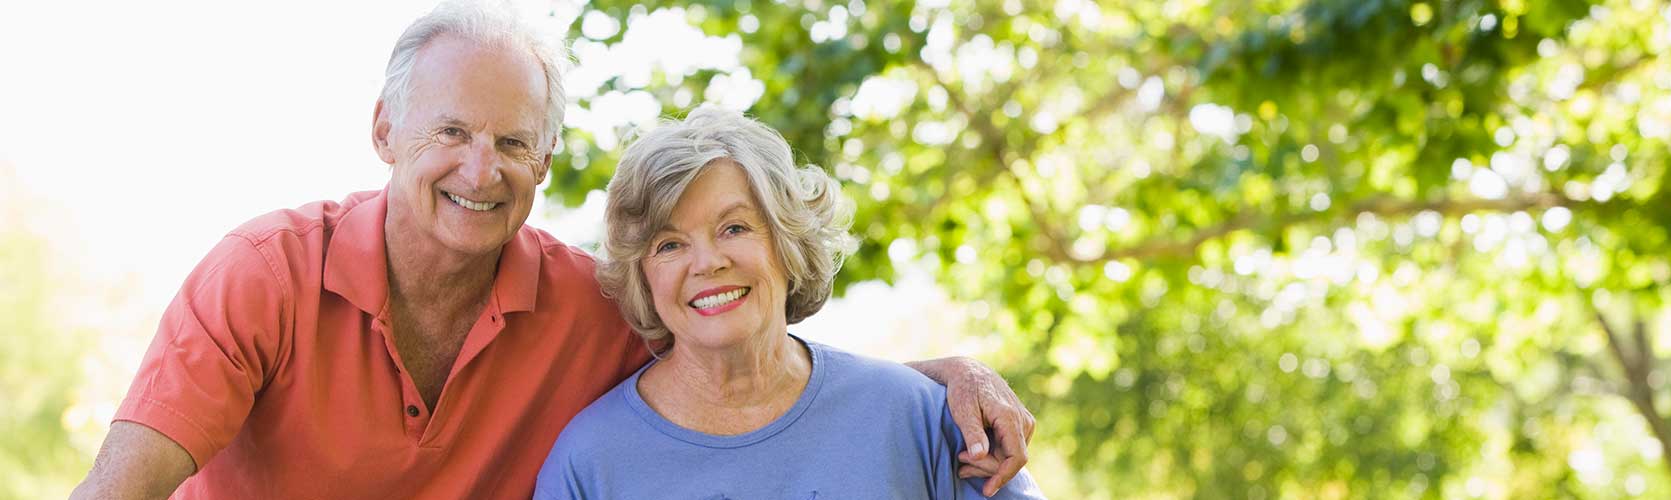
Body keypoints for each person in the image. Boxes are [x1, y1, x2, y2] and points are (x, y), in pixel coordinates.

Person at [68, 1, 1033, 498]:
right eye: (450, 133)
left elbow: (751, 371)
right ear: (384, 133)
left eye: (514, 142)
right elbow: (122, 489)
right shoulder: (265, 275)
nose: (481, 169)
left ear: (545, 159)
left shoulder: (589, 305)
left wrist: (938, 381)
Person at [532, 108, 1044, 499]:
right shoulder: (590, 463)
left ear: (787, 241)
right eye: (669, 245)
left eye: (734, 227)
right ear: (643, 275)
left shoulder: (921, 418)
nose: (707, 262)